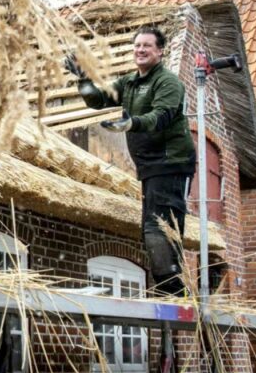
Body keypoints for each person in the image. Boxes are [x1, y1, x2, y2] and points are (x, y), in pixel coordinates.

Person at [67, 27, 196, 295]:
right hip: (149, 166)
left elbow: (161, 115)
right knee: (153, 225)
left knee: (160, 224)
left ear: (160, 51)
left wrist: (131, 123)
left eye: (147, 46)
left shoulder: (168, 82)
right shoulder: (130, 82)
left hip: (171, 161)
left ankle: (171, 286)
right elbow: (98, 99)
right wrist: (83, 78)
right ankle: (168, 284)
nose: (140, 50)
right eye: (137, 45)